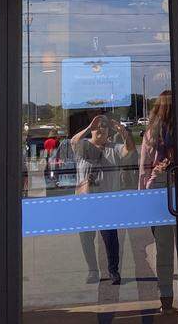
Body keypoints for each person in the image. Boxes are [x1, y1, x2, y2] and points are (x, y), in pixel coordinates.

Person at [72, 113, 135, 285]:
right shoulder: (83, 146)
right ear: (92, 130)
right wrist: (88, 127)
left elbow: (130, 149)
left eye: (104, 126)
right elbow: (73, 141)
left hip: (107, 202)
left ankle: (113, 271)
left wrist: (123, 132)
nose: (100, 129)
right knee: (86, 238)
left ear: (109, 131)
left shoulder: (114, 148)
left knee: (110, 239)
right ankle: (93, 271)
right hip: (85, 202)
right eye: (97, 127)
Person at [137, 91, 176, 312]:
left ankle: (166, 298)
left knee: (163, 247)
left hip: (158, 190)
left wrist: (142, 197)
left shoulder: (152, 132)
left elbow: (143, 168)